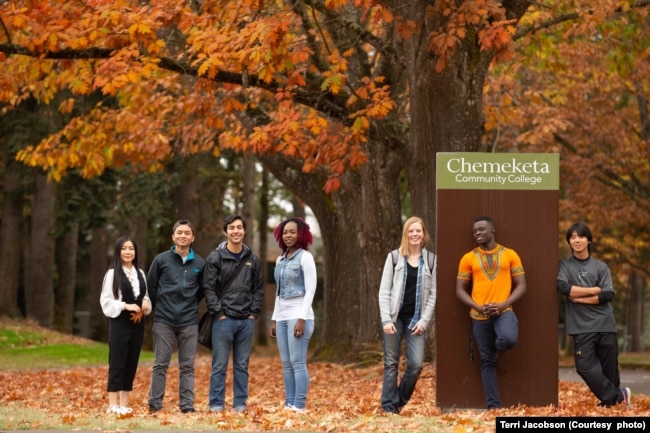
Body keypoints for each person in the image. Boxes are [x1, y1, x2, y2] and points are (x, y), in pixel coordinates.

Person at [557, 222, 631, 408]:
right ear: (569, 242)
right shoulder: (565, 266)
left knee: (609, 370)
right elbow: (563, 287)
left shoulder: (600, 266)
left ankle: (611, 405)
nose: (577, 240)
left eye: (581, 236)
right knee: (584, 367)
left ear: (588, 240)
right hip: (581, 327)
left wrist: (580, 298)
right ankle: (619, 396)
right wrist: (594, 290)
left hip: (605, 323)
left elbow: (607, 295)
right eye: (572, 237)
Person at [455, 216, 526, 409]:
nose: (477, 233)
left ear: (492, 230)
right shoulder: (468, 258)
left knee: (508, 339)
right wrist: (477, 307)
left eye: (481, 229)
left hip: (504, 311)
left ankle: (495, 348)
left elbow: (521, 286)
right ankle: (493, 407)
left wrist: (503, 305)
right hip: (479, 315)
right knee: (487, 361)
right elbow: (460, 289)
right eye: (475, 231)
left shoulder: (510, 254)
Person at [203, 214, 264, 413]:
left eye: (239, 227)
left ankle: (240, 404)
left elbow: (258, 288)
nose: (236, 231)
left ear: (244, 231)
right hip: (223, 320)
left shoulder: (252, 259)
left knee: (242, 365)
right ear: (226, 231)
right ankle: (216, 404)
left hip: (246, 320)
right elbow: (208, 288)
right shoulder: (215, 257)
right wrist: (219, 312)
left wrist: (253, 313)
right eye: (231, 228)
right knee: (219, 365)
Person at [378, 216, 437, 414]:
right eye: (411, 231)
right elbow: (384, 291)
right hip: (394, 319)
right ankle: (388, 407)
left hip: (416, 320)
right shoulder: (394, 257)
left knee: (416, 364)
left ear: (423, 234)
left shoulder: (431, 260)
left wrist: (424, 321)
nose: (414, 234)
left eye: (418, 231)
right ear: (406, 234)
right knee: (391, 362)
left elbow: (433, 295)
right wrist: (386, 319)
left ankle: (398, 401)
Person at [147, 219, 205, 414]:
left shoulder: (200, 263)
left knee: (187, 366)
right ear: (173, 236)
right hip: (164, 320)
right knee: (160, 364)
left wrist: (189, 305)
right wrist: (158, 310)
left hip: (189, 322)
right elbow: (151, 287)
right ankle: (155, 404)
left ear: (192, 237)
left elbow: (202, 291)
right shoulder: (161, 260)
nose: (183, 236)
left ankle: (187, 405)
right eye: (179, 232)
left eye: (187, 233)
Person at [269, 217, 317, 412]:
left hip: (299, 315)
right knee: (286, 363)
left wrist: (302, 318)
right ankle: (289, 404)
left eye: (292, 232)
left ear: (301, 234)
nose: (288, 235)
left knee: (297, 362)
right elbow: (278, 291)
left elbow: (311, 289)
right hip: (281, 316)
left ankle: (299, 405)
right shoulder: (280, 259)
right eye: (285, 232)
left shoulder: (305, 257)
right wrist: (274, 318)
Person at [100, 236, 152, 415]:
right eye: (124, 248)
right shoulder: (112, 274)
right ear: (118, 251)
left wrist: (145, 303)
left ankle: (124, 404)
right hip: (119, 323)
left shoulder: (141, 273)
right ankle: (112, 404)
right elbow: (105, 301)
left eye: (131, 248)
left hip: (138, 323)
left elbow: (146, 296)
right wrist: (124, 305)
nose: (128, 251)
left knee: (131, 361)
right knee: (117, 361)